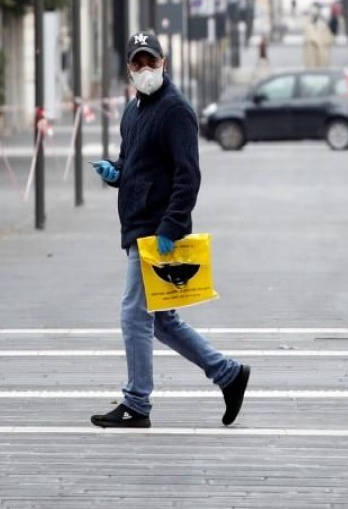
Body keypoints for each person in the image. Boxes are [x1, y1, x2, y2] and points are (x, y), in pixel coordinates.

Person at [89, 31, 250, 429]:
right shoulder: (133, 111)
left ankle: (137, 403)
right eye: (137, 63)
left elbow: (188, 175)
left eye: (151, 61)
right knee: (162, 321)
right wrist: (116, 173)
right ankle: (228, 374)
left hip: (155, 232)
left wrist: (171, 226)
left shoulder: (176, 110)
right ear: (128, 68)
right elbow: (133, 165)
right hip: (137, 227)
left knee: (133, 315)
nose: (145, 69)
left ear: (165, 62)